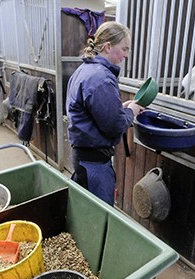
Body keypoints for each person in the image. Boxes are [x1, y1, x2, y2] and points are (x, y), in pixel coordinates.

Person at [66, 21, 145, 205]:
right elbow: (114, 126)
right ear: (108, 47)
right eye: (124, 49)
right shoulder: (101, 79)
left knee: (83, 207)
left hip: (81, 156)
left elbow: (93, 112)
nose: (126, 55)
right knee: (99, 215)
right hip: (94, 164)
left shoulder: (85, 69)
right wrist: (131, 111)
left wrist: (121, 109)